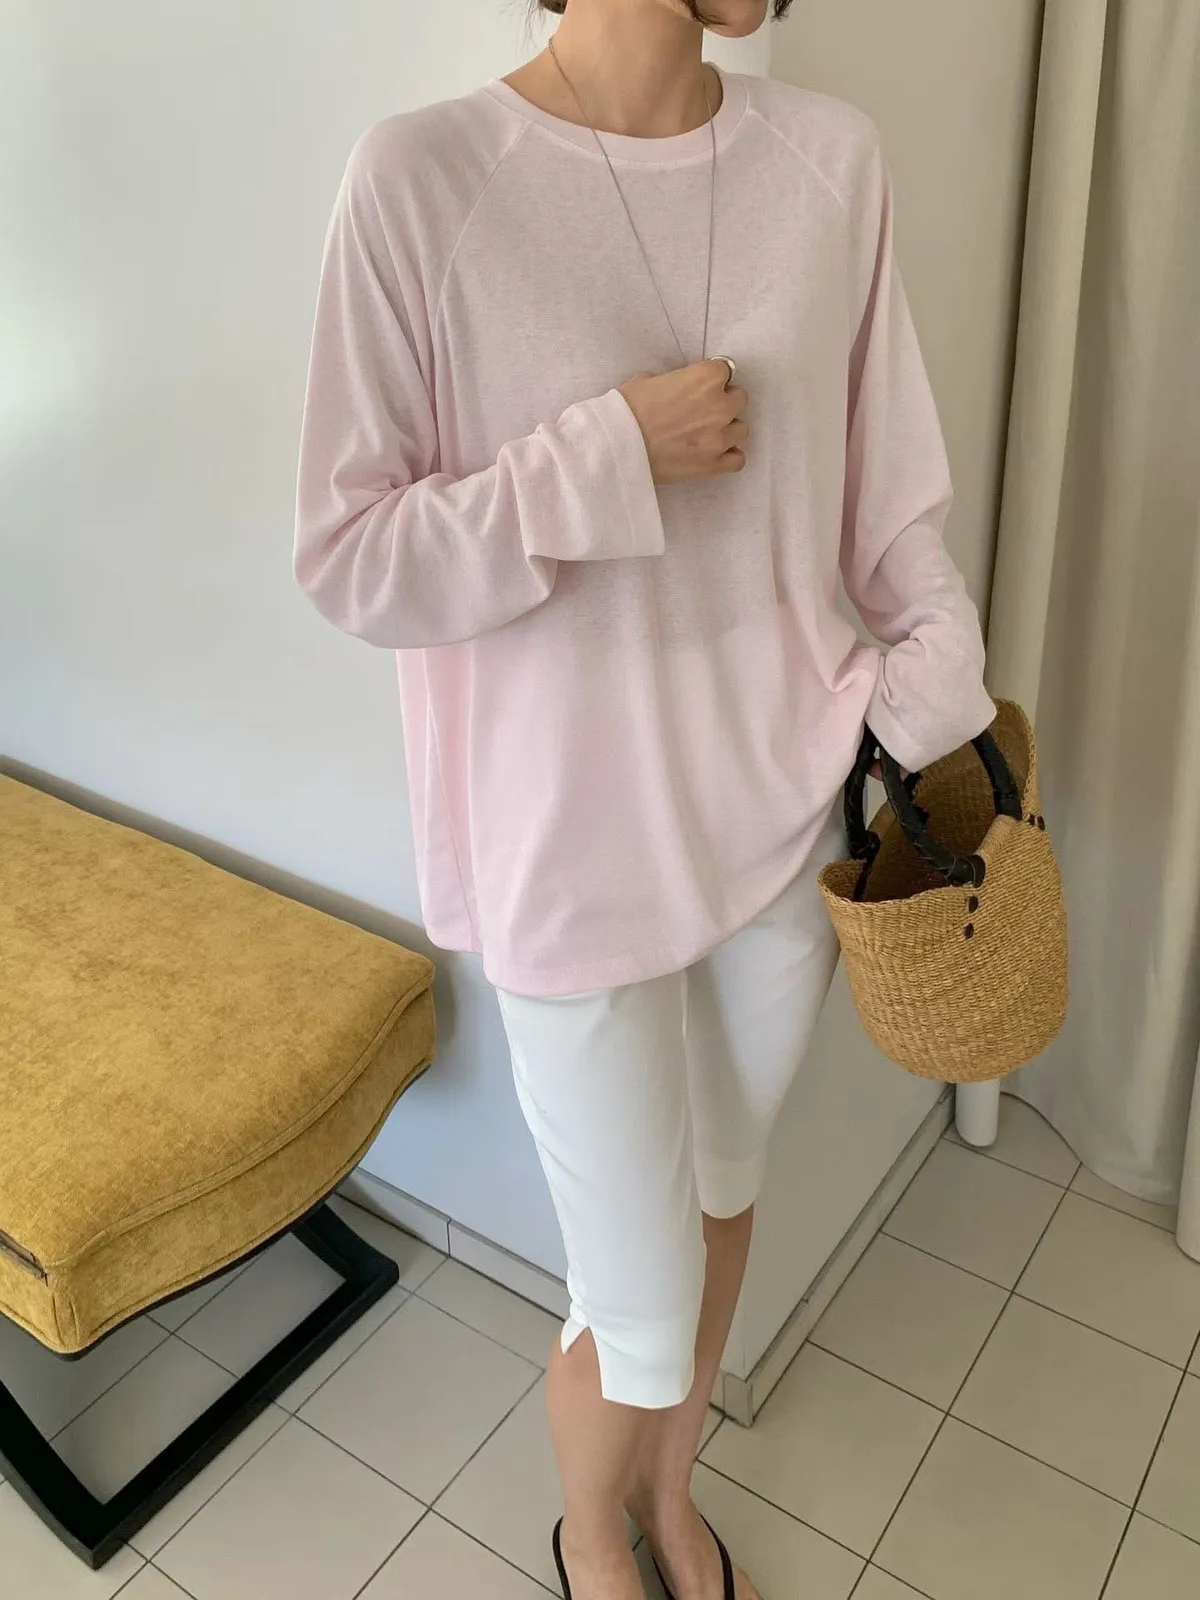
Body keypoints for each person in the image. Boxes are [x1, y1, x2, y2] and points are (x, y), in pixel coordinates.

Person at [294, 1, 995, 1595]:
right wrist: (608, 451)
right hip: (569, 841)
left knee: (725, 1197)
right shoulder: (422, 179)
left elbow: (892, 500)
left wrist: (928, 680)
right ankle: (591, 1533)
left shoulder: (830, 161)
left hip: (780, 816)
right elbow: (353, 557)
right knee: (637, 1298)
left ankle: (670, 1496)